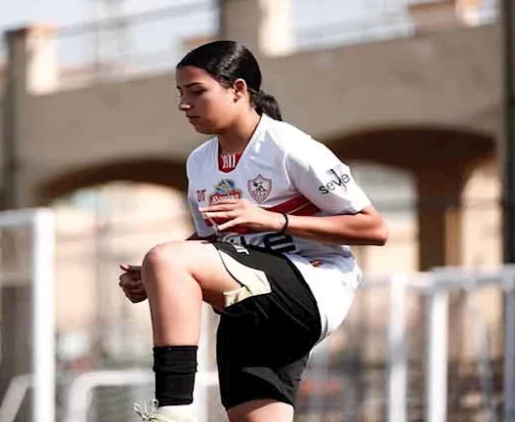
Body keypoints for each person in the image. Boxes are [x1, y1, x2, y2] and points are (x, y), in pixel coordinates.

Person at [119, 40, 388, 422]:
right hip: (248, 309)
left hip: (311, 286)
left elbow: (374, 228)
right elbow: (212, 244)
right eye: (180, 93)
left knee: (166, 257)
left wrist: (275, 219)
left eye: (196, 91)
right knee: (165, 262)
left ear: (238, 89)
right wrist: (155, 277)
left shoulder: (288, 146)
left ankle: (173, 411)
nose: (184, 104)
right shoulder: (199, 162)